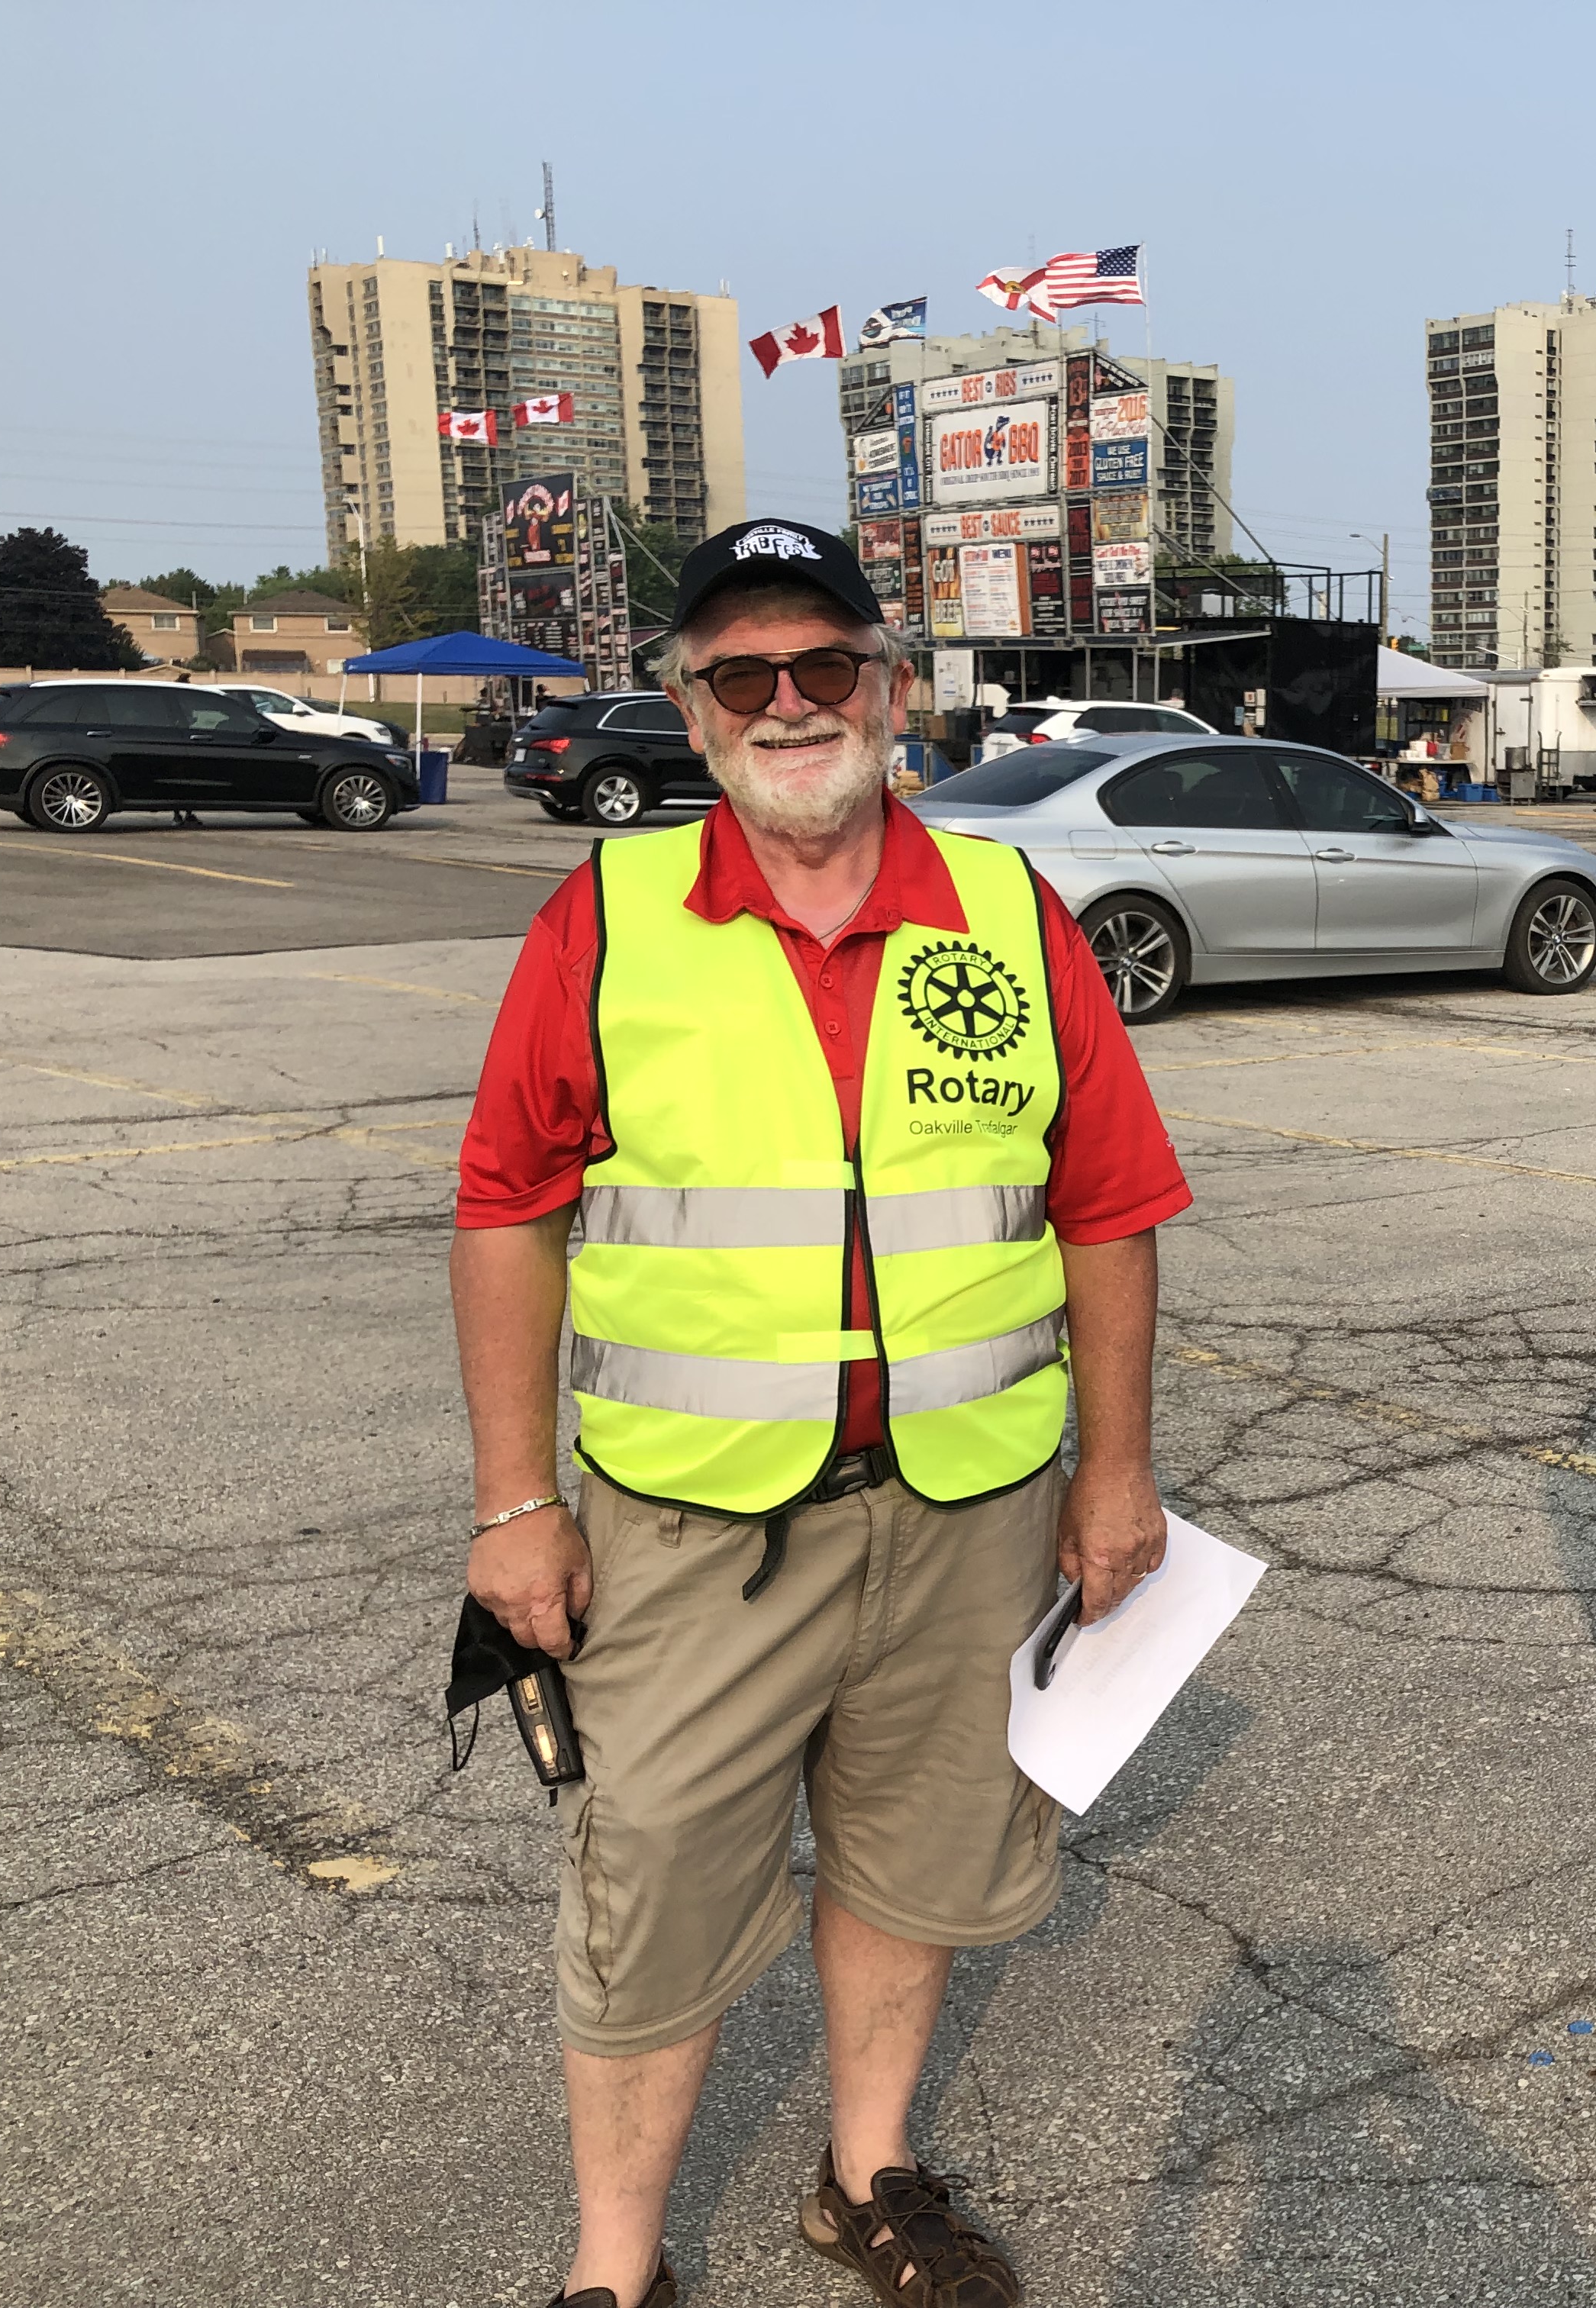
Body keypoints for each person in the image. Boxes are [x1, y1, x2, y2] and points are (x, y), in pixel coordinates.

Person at [453, 518, 1192, 2308]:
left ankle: (866, 2176)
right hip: (694, 1526)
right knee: (655, 1900)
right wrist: (510, 1505)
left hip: (967, 1517)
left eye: (827, 666)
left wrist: (1116, 1472)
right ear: (692, 710)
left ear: (895, 686)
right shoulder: (609, 919)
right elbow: (506, 1207)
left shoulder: (1008, 919)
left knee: (912, 1868)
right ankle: (612, 2271)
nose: (791, 705)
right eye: (741, 676)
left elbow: (1105, 1205)